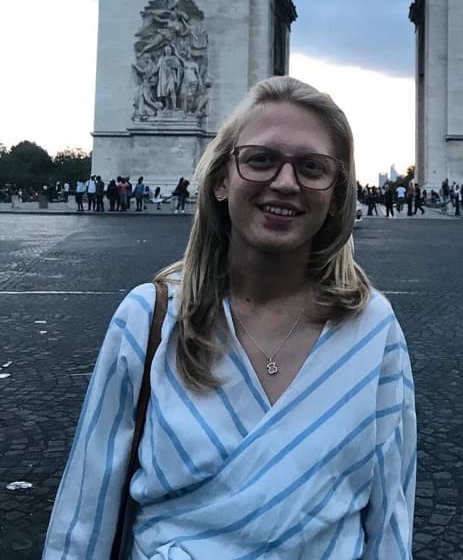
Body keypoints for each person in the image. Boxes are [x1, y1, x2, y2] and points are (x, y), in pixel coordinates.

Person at [43, 76, 416, 558]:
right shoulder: (147, 319)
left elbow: (389, 522)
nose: (286, 182)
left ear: (336, 193)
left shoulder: (374, 330)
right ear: (221, 178)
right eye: (261, 159)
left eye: (312, 167)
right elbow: (84, 515)